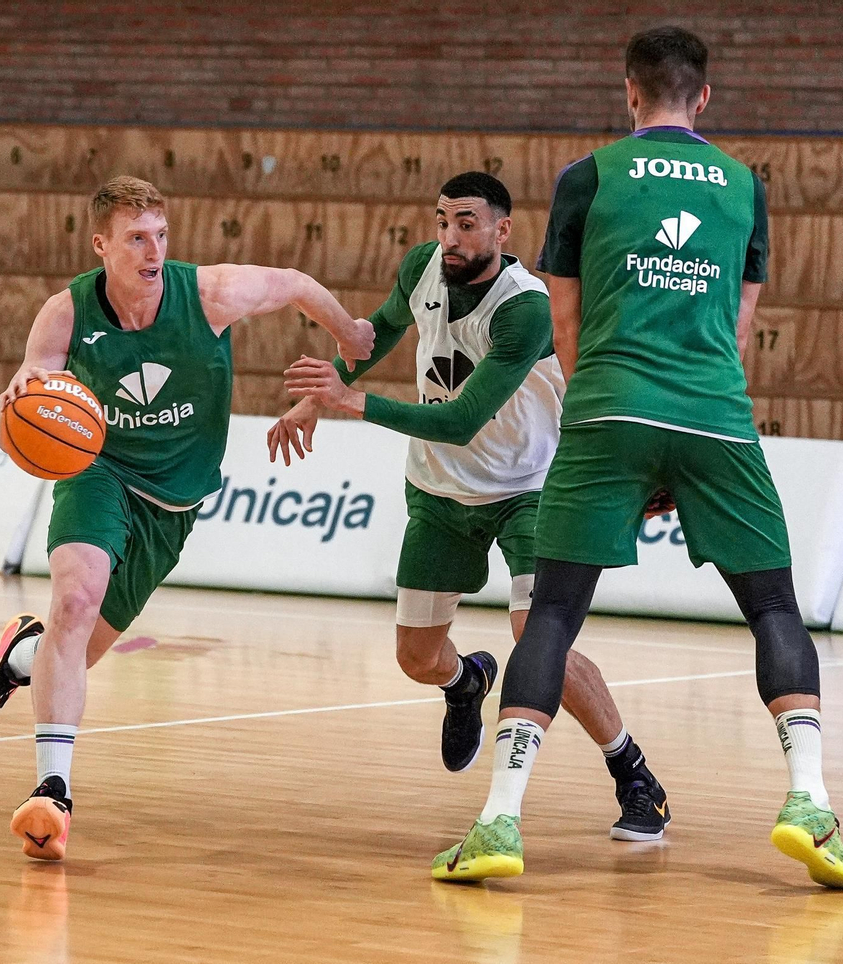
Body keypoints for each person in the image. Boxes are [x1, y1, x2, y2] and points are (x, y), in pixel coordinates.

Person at [431, 27, 843, 890]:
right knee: (775, 608)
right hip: (714, 414)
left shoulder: (588, 177)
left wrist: (616, 435)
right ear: (702, 97)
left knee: (551, 614)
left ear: (629, 92)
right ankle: (809, 801)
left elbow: (565, 323)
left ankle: (498, 821)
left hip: (608, 408)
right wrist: (684, 451)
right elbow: (740, 330)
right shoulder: (745, 185)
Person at [0, 175, 375, 861]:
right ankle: (52, 795)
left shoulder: (208, 294)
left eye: (161, 235)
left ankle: (21, 654)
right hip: (98, 471)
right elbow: (24, 398)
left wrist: (350, 332)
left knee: (76, 650)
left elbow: (295, 281)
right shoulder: (64, 313)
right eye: (135, 238)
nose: (152, 250)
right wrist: (14, 420)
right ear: (102, 245)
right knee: (76, 598)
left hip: (173, 503)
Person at [270, 172, 670, 842]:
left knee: (537, 638)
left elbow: (461, 420)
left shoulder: (525, 308)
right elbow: (377, 336)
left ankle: (634, 774)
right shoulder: (423, 267)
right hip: (437, 489)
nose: (449, 236)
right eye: (441, 221)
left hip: (530, 490)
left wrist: (352, 404)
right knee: (416, 657)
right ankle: (464, 682)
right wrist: (320, 395)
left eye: (465, 223)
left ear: (501, 230)